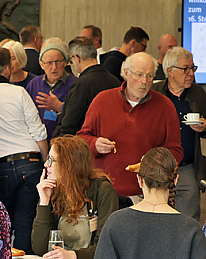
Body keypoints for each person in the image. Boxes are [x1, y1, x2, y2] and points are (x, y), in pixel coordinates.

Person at [0, 47, 48, 252]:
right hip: (29, 162)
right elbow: (38, 132)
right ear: (8, 68)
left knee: (0, 223)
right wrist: (47, 161)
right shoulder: (19, 92)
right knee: (26, 222)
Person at [77, 52, 182, 198]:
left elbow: (176, 151)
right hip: (104, 192)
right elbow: (81, 140)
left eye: (149, 76)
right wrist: (95, 144)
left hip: (146, 194)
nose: (144, 81)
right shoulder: (102, 100)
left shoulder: (165, 106)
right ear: (126, 73)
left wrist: (155, 162)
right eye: (139, 75)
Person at [151, 46, 206, 220]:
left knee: (188, 220)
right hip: (159, 168)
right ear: (170, 71)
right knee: (158, 216)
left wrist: (205, 127)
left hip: (188, 168)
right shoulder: (155, 93)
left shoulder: (198, 93)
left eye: (193, 68)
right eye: (185, 69)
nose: (191, 73)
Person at [54, 36, 120, 138]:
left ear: (77, 58)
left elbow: (70, 123)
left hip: (85, 144)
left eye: (71, 61)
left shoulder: (81, 84)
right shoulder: (115, 81)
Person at [25, 38, 77, 139]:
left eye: (58, 62)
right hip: (40, 141)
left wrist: (60, 107)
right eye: (49, 63)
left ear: (65, 62)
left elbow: (82, 117)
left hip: (66, 142)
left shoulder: (76, 84)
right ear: (41, 65)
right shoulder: (34, 84)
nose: (54, 67)